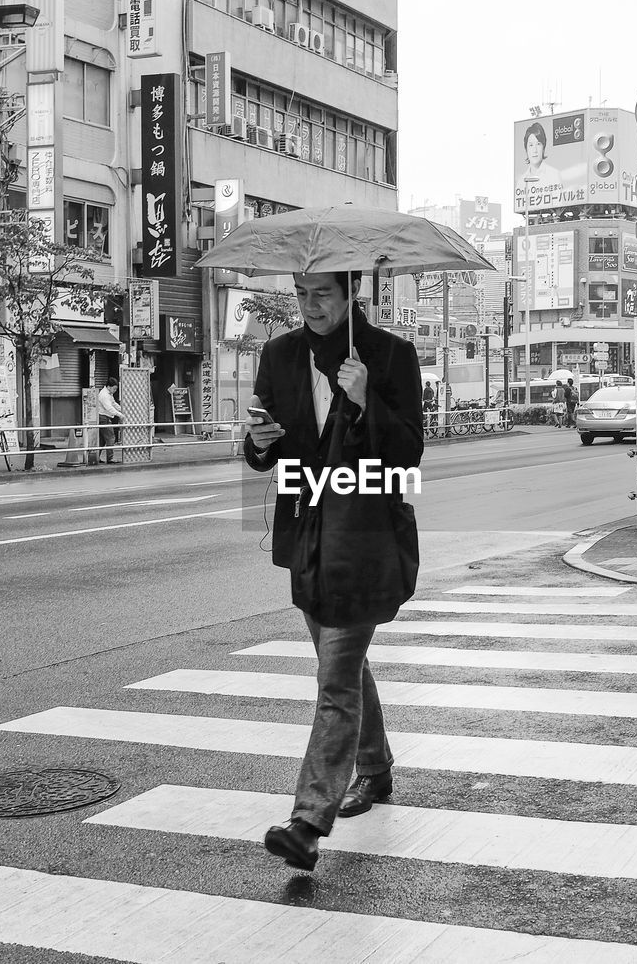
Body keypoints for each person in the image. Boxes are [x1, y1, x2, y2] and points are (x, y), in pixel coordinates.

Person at [244, 270, 423, 873]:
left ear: (352, 295)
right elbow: (264, 451)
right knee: (341, 661)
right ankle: (375, 768)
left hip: (366, 537)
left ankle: (307, 821)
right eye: (301, 293)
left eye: (322, 293)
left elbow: (408, 454)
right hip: (308, 537)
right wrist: (260, 441)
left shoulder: (391, 355)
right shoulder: (280, 355)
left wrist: (367, 397)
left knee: (335, 678)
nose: (309, 305)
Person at [518, 121, 562, 189]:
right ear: (526, 149)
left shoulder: (554, 175)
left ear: (543, 146)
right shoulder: (521, 181)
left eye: (538, 144)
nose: (534, 150)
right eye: (531, 145)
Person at [97, 376, 123, 464]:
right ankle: (110, 459)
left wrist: (122, 409)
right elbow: (109, 408)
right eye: (114, 389)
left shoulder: (108, 394)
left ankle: (96, 457)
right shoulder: (104, 395)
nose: (115, 391)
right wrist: (120, 415)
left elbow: (113, 403)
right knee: (111, 438)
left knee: (102, 440)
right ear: (109, 387)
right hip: (104, 418)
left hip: (102, 418)